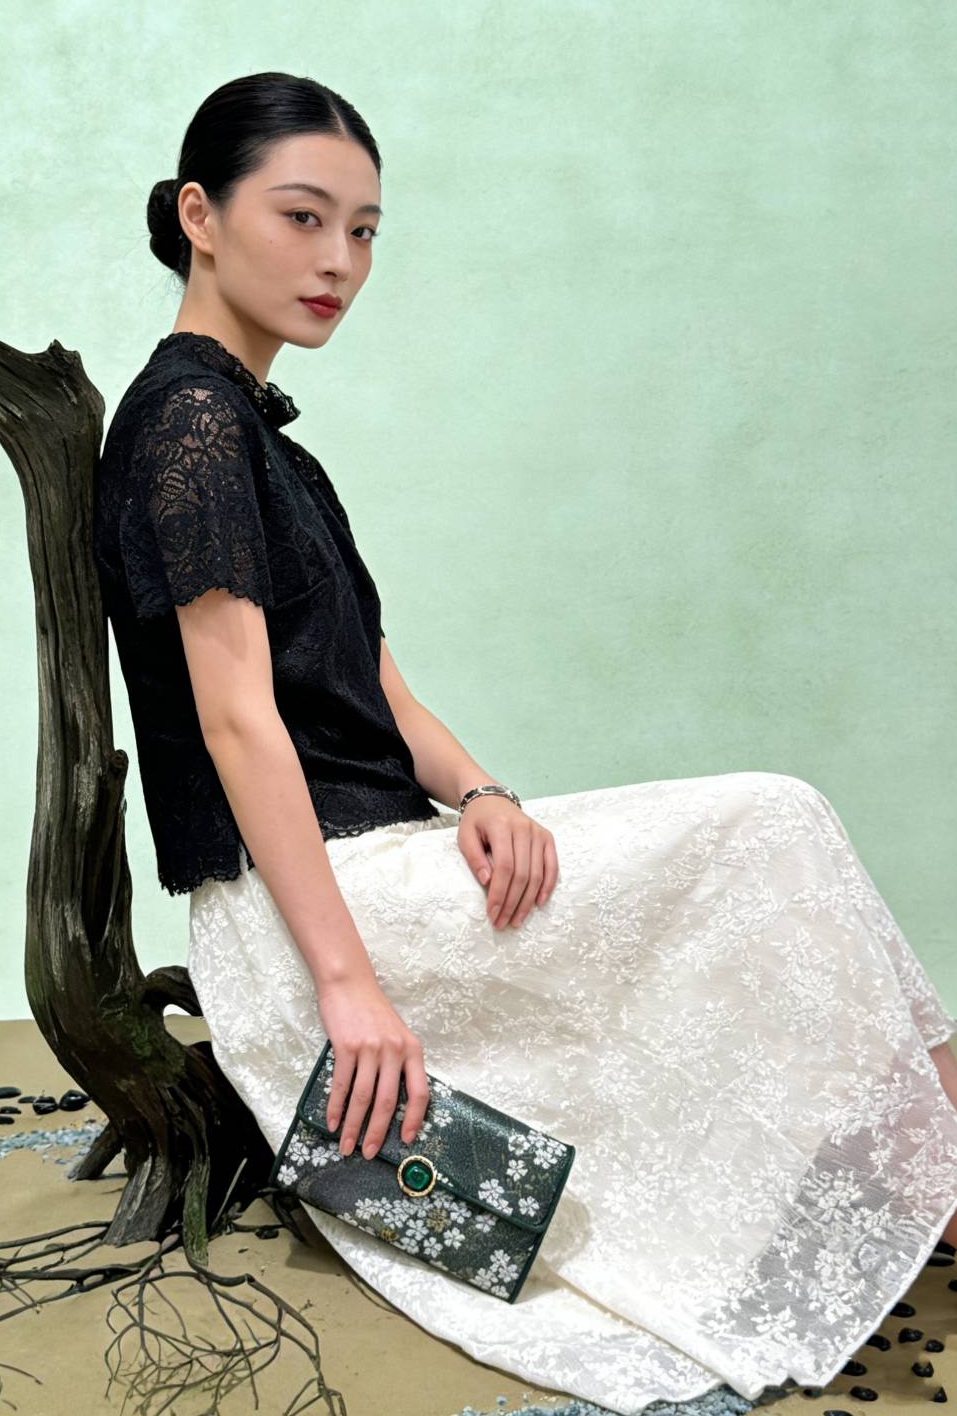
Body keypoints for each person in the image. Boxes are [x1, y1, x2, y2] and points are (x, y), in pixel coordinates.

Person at [91, 72, 957, 1414]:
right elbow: (236, 719)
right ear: (200, 216)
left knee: (750, 839)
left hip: (377, 856)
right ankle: (931, 1173)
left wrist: (483, 790)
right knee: (769, 817)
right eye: (303, 217)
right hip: (307, 905)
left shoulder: (260, 438)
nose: (339, 262)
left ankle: (926, 1170)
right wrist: (346, 986)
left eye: (365, 231)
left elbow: (379, 686)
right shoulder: (192, 424)